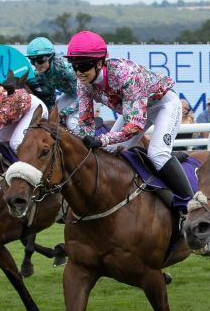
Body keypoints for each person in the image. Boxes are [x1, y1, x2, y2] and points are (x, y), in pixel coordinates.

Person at [65, 30, 193, 201]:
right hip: (135, 110)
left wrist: (101, 139)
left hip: (163, 104)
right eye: (74, 66)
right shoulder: (83, 84)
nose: (78, 72)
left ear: (99, 62)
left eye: (83, 66)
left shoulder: (125, 74)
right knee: (108, 153)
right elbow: (85, 123)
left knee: (158, 154)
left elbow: (134, 127)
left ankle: (192, 204)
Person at [26, 37, 79, 130]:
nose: (36, 64)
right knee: (52, 116)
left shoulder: (67, 69)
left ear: (51, 57)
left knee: (72, 122)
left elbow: (83, 96)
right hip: (71, 94)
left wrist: (63, 113)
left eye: (40, 60)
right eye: (32, 61)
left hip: (89, 93)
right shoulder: (39, 75)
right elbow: (50, 100)